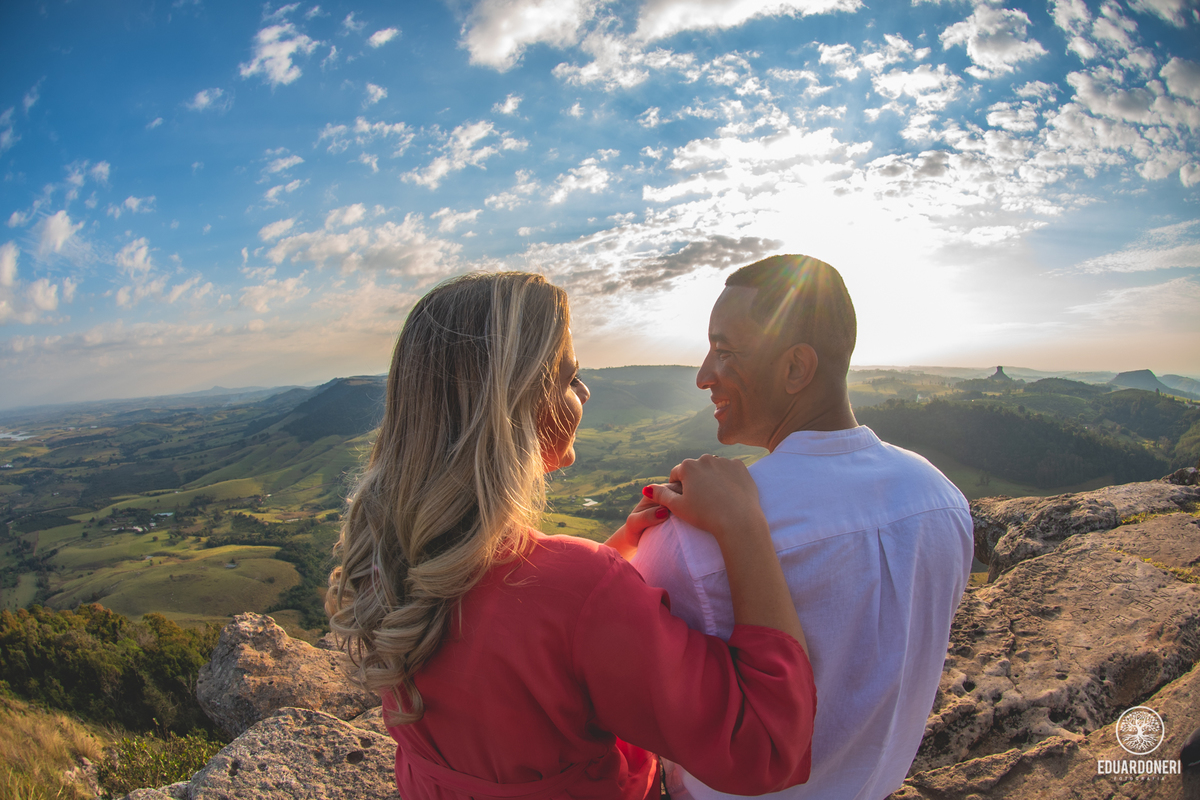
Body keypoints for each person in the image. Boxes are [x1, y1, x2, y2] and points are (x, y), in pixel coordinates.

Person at [326, 271, 817, 800]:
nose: (584, 391)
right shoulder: (579, 589)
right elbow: (766, 750)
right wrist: (744, 526)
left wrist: (618, 548)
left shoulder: (391, 555)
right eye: (568, 377)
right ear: (517, 406)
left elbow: (515, 643)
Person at [631, 254, 974, 800]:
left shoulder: (690, 542)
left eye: (724, 351)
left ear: (795, 368)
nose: (703, 376)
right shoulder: (941, 500)